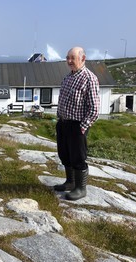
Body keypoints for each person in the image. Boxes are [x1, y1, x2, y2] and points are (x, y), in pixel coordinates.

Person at [54, 47, 100, 200]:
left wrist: (83, 127)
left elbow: (94, 108)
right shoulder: (68, 77)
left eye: (72, 58)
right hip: (63, 123)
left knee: (78, 158)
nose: (69, 61)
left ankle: (81, 188)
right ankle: (70, 182)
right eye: (67, 58)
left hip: (77, 125)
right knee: (64, 155)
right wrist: (59, 118)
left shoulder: (89, 78)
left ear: (83, 58)